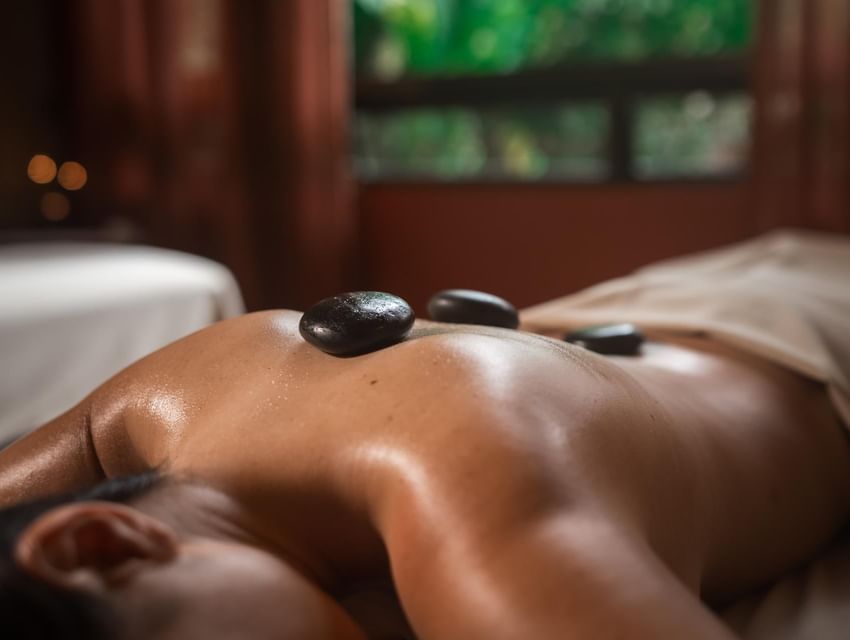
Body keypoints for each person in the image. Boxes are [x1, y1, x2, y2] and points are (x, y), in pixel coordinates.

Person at [1, 231, 849, 639]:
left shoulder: (472, 506)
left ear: (101, 545)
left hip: (807, 325)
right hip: (647, 304)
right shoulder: (164, 395)